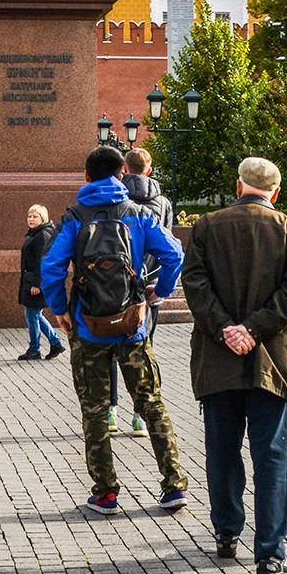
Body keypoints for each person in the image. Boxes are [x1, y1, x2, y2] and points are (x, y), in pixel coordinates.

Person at [181, 156, 287, 574]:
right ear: (276, 192)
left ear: (239, 186)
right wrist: (252, 330)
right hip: (272, 361)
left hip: (218, 360)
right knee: (271, 456)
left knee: (221, 449)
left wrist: (226, 330)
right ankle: (271, 556)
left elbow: (195, 287)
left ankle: (225, 531)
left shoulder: (205, 227)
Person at [40, 145, 187, 515]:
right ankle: (173, 486)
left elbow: (52, 267)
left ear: (86, 176)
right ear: (122, 175)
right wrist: (160, 290)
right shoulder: (137, 214)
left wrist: (60, 310)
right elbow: (174, 254)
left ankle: (105, 493)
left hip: (88, 327)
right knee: (151, 403)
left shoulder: (74, 217)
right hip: (132, 326)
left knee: (94, 410)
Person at [108, 147, 175, 438]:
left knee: (111, 349)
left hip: (116, 284)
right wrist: (160, 287)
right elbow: (169, 248)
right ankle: (139, 415)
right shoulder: (163, 203)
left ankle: (110, 411)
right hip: (149, 287)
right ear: (149, 169)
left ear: (124, 168)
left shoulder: (114, 199)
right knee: (143, 349)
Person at [17, 204, 66, 361]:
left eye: (35, 216)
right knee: (33, 313)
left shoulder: (42, 235)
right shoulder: (36, 234)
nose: (31, 219)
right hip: (32, 280)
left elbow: (42, 261)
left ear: (42, 218)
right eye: (29, 216)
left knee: (32, 314)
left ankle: (35, 349)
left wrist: (37, 283)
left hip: (36, 281)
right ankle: (54, 342)